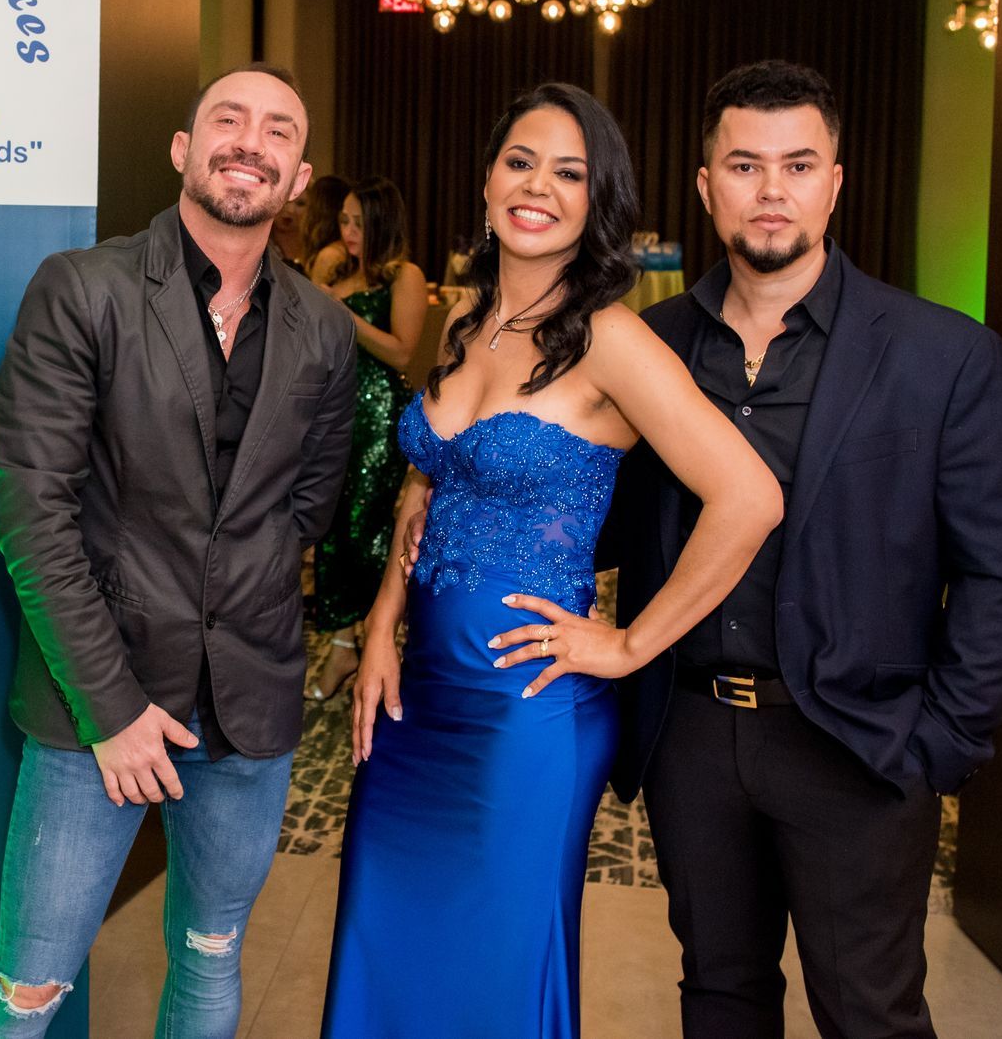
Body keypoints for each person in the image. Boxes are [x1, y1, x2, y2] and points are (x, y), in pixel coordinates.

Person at [596, 60, 1002, 1039]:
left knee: (871, 1012)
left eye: (797, 165)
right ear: (707, 183)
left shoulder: (942, 354)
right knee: (719, 993)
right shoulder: (648, 345)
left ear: (835, 182)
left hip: (859, 740)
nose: (771, 191)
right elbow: (600, 518)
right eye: (745, 165)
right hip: (693, 737)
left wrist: (943, 742)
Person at [322, 83, 782, 1036]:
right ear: (488, 181)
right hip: (415, 707)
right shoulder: (459, 321)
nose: (539, 186)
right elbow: (427, 479)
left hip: (523, 715)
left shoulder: (613, 340)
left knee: (493, 975)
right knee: (387, 948)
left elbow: (750, 498)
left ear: (596, 201)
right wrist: (377, 629)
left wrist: (627, 646)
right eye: (521, 161)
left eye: (569, 173)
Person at [0, 63, 358, 1038]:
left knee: (212, 956)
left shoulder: (324, 330)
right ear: (183, 149)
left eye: (277, 130)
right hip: (97, 713)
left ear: (298, 177)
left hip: (248, 709)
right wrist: (114, 710)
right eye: (228, 118)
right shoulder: (84, 288)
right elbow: (31, 508)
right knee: (28, 992)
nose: (249, 142)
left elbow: (306, 506)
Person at [304, 177, 425, 701]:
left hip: (378, 414)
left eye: (358, 221)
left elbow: (402, 353)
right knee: (327, 526)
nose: (348, 230)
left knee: (366, 527)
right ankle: (342, 644)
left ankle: (375, 639)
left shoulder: (405, 275)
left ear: (380, 223)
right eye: (344, 220)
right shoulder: (335, 269)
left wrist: (342, 313)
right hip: (329, 410)